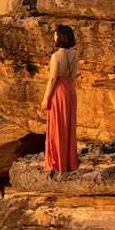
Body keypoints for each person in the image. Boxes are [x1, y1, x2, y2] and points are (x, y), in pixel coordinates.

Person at [42, 24, 78, 171]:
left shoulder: (56, 56)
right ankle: (69, 161)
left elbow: (52, 79)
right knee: (69, 125)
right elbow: (73, 77)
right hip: (70, 89)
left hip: (59, 91)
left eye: (55, 34)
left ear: (60, 36)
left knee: (57, 125)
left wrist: (45, 98)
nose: (54, 36)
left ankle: (57, 163)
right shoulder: (74, 54)